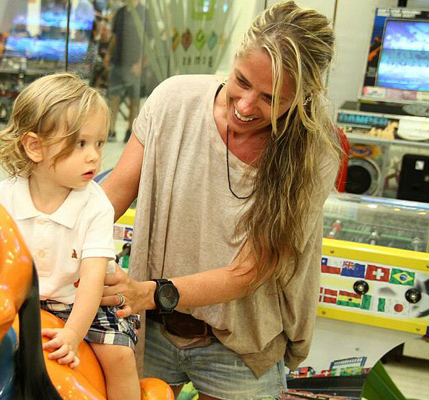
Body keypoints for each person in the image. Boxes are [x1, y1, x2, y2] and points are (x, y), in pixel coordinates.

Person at [100, 2, 341, 400]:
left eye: (271, 98)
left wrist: (150, 292)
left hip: (241, 346)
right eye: (241, 81)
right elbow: (109, 199)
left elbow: (248, 272)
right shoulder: (173, 102)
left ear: (305, 96)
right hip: (154, 330)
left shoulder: (314, 153)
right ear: (233, 60)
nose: (246, 106)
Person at [0, 73, 140, 400]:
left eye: (99, 143)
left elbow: (91, 281)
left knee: (120, 358)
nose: (94, 157)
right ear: (34, 147)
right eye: (80, 144)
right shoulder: (2, 197)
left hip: (81, 302)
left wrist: (73, 333)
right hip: (21, 302)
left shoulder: (95, 204)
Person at [104, 0, 149, 143]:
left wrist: (141, 64)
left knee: (134, 99)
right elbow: (115, 37)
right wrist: (108, 54)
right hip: (118, 62)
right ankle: (111, 130)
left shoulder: (144, 13)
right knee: (114, 96)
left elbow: (150, 43)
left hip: (135, 64)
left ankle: (131, 131)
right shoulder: (121, 12)